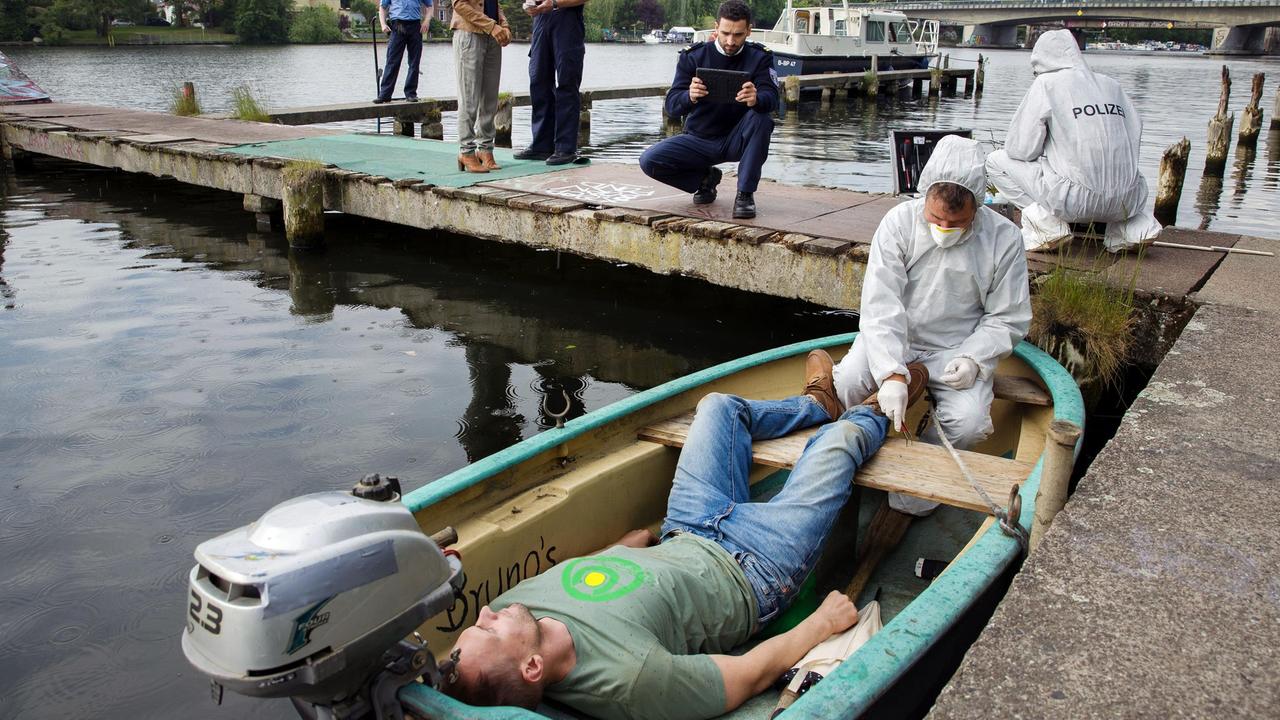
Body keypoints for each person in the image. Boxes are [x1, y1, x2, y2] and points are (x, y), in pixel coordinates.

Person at [443, 353, 929, 719]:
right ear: (531, 669)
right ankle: (877, 410)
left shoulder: (516, 605)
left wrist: (628, 545)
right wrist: (820, 624)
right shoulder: (629, 679)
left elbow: (581, 574)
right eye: (488, 628)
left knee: (718, 407)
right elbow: (745, 676)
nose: (486, 611)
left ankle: (814, 404)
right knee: (838, 445)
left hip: (688, 528)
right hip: (757, 570)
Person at [833, 135, 1031, 517]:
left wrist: (975, 358)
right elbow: (880, 304)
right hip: (897, 338)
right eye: (936, 217)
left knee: (971, 422)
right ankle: (844, 467)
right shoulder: (898, 223)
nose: (943, 227)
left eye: (956, 222)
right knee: (846, 383)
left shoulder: (1004, 239)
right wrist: (891, 373)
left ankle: (912, 494)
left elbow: (1007, 315)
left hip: (956, 349)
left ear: (978, 205)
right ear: (924, 197)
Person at [985, 29, 1162, 253]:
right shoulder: (1111, 85)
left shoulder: (1046, 84)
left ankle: (1047, 227)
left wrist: (1049, 155)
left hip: (1073, 200)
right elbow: (1133, 137)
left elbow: (1020, 150)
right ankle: (1133, 227)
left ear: (1041, 59)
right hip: (1129, 199)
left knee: (996, 160)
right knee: (1119, 172)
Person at [638, 0, 778, 220]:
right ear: (716, 27)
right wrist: (689, 96)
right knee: (649, 161)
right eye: (725, 33)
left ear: (749, 30)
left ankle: (745, 195)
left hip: (737, 139)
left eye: (738, 35)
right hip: (698, 139)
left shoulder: (760, 57)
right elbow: (672, 105)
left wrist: (757, 98)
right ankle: (705, 180)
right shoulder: (692, 56)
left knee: (762, 118)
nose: (731, 41)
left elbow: (773, 99)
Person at [513, 0, 589, 166]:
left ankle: (565, 147)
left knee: (567, 83)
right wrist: (529, 6)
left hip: (567, 23)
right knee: (538, 81)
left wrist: (555, 3)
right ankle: (542, 145)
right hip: (541, 22)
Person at [451, 0, 512, 173]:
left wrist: (504, 26)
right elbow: (459, 4)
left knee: (490, 99)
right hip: (469, 35)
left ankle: (485, 150)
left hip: (492, 38)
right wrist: (492, 26)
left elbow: (494, 5)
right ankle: (466, 151)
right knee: (469, 98)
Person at [374, 0, 433, 104]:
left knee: (414, 62)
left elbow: (430, 6)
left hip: (415, 26)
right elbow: (382, 7)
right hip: (397, 25)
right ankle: (385, 95)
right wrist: (383, 24)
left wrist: (427, 21)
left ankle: (411, 93)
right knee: (392, 62)